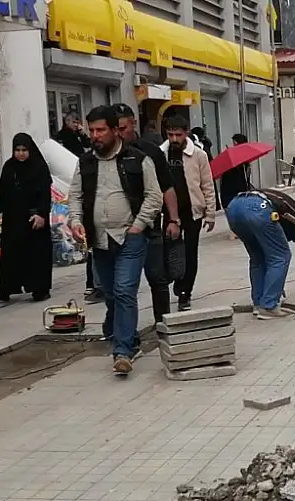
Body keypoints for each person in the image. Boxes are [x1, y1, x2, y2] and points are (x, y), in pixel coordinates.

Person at [67, 106, 170, 376]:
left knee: (125, 291)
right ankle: (128, 338)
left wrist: (139, 225)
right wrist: (76, 221)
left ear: (115, 130)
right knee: (112, 294)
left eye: (101, 130)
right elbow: (75, 197)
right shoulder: (85, 163)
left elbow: (154, 195)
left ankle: (122, 351)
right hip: (99, 241)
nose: (95, 135)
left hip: (131, 237)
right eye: (91, 131)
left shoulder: (137, 159)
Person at [111, 103, 182, 323]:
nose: (119, 134)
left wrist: (173, 219)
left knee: (157, 278)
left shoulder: (150, 152)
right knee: (121, 284)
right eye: (115, 129)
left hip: (150, 227)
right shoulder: (106, 154)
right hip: (117, 230)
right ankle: (122, 331)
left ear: (133, 124)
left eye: (123, 128)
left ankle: (163, 324)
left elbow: (167, 188)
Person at [225, 188, 295, 319]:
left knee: (258, 257)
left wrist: (275, 283)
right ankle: (268, 305)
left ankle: (258, 304)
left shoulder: (284, 207)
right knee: (281, 256)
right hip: (258, 208)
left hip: (234, 207)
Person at [0, 133, 54, 302]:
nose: (21, 153)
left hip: (34, 219)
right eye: (17, 150)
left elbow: (45, 194)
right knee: (10, 254)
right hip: (13, 218)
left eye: (24, 150)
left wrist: (41, 214)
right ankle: (5, 289)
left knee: (36, 254)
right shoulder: (9, 167)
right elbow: (2, 192)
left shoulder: (39, 167)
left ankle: (40, 289)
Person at [159, 116, 217, 311]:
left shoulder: (198, 155)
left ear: (186, 133)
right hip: (167, 214)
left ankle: (185, 292)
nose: (174, 138)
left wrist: (210, 213)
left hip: (193, 212)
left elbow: (207, 184)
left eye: (178, 134)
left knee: (190, 253)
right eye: (170, 134)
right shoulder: (161, 154)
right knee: (171, 252)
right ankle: (174, 282)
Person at [219, 133, 253, 209]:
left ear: (236, 143)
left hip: (235, 194)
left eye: (234, 143)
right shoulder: (245, 156)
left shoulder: (237, 159)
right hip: (241, 193)